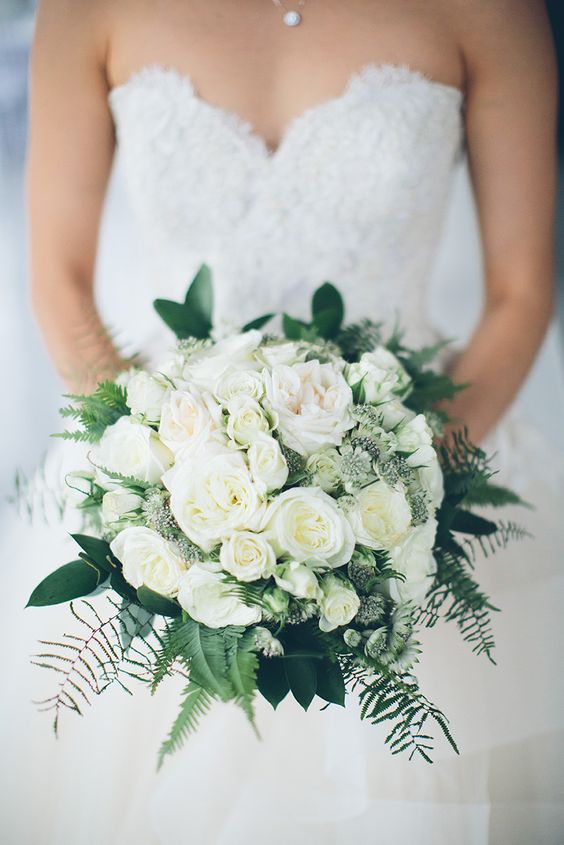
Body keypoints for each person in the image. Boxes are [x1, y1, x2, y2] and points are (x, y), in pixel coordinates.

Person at [3, 1, 563, 842]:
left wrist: (404, 491)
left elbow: (520, 293)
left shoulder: (490, 11)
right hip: (168, 477)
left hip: (423, 459)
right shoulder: (85, 9)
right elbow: (60, 280)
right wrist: (161, 468)